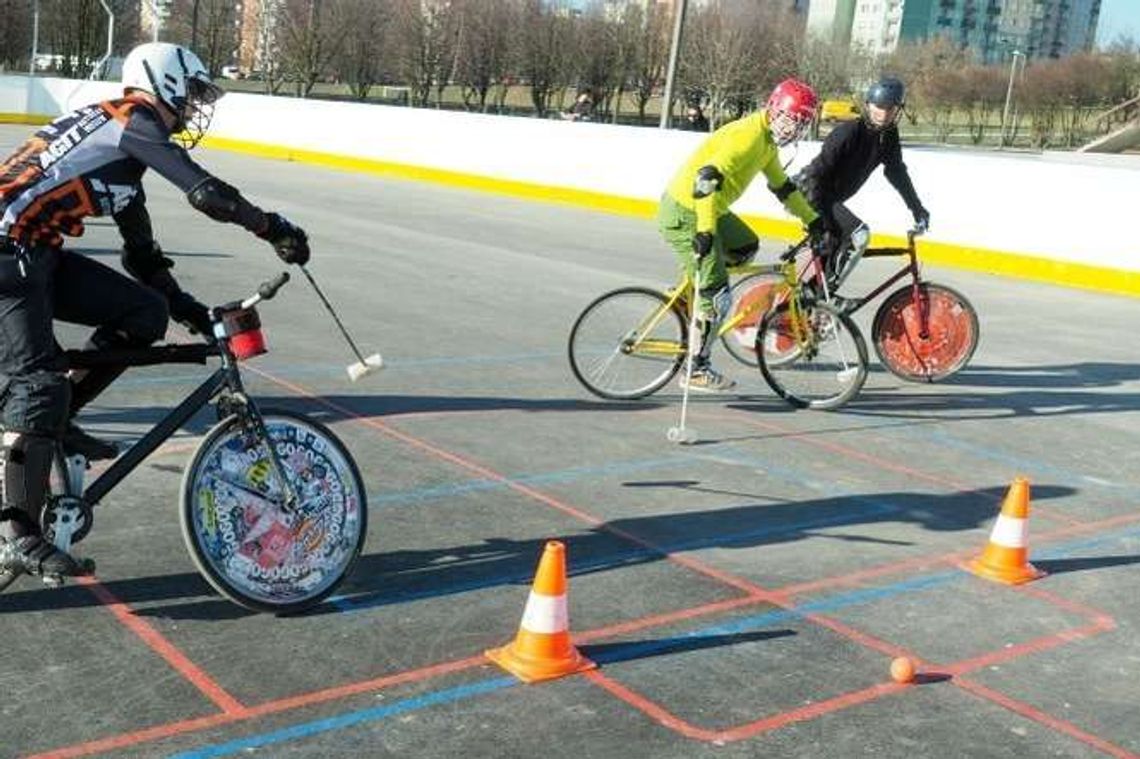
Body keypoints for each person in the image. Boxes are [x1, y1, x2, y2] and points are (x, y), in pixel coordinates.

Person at [0, 42, 310, 580]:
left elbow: (142, 259)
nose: (195, 107)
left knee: (142, 314)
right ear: (162, 83)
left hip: (35, 251)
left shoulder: (123, 150)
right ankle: (17, 534)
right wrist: (273, 227)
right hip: (8, 249)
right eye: (191, 93)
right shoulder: (132, 122)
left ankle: (57, 420)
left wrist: (190, 311)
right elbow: (207, 194)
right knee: (38, 384)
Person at [658, 78, 826, 393]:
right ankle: (696, 368)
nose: (792, 129)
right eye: (789, 119)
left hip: (710, 210)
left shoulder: (766, 142)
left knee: (745, 246)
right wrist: (705, 232)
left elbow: (782, 186)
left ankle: (689, 297)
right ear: (773, 109)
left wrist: (814, 220)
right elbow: (705, 180)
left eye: (800, 123)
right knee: (719, 297)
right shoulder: (747, 137)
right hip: (687, 210)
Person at [794, 76, 929, 293]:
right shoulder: (849, 131)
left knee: (836, 247)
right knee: (859, 235)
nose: (883, 113)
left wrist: (917, 208)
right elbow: (818, 171)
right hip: (810, 191)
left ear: (898, 110)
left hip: (830, 198)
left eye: (890, 108)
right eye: (878, 107)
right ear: (867, 105)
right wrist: (821, 220)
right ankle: (825, 297)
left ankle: (813, 297)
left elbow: (897, 173)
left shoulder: (888, 135)